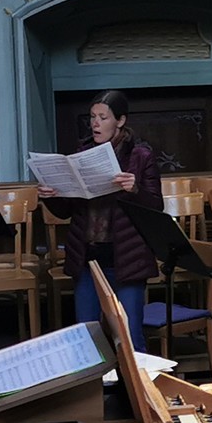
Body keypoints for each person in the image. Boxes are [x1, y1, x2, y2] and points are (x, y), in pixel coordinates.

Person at [36, 90, 162, 350]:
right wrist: (51, 196)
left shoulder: (140, 156)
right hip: (87, 257)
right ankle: (98, 378)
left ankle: (136, 378)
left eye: (103, 118)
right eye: (92, 117)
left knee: (129, 335)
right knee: (87, 335)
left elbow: (155, 206)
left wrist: (135, 189)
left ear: (120, 121)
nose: (95, 123)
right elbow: (67, 211)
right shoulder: (81, 153)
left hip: (126, 257)